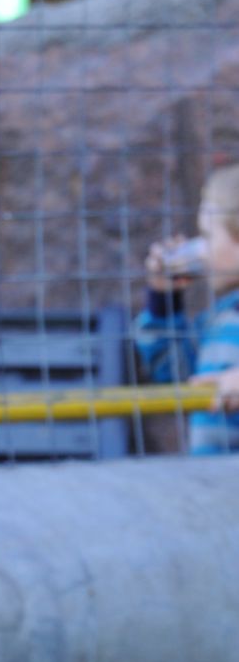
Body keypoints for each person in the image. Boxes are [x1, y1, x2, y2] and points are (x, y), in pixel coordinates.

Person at [134, 163, 239, 454]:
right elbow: (171, 370)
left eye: (208, 236)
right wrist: (163, 299)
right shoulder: (222, 317)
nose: (200, 249)